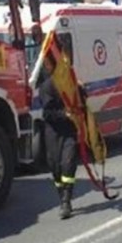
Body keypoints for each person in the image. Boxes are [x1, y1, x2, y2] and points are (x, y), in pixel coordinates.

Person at [39, 64, 78, 219]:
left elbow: (82, 100)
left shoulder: (72, 84)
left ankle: (66, 201)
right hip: (53, 131)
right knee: (55, 166)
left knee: (68, 163)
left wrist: (82, 91)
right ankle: (61, 194)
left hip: (69, 130)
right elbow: (47, 113)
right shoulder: (47, 87)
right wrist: (64, 114)